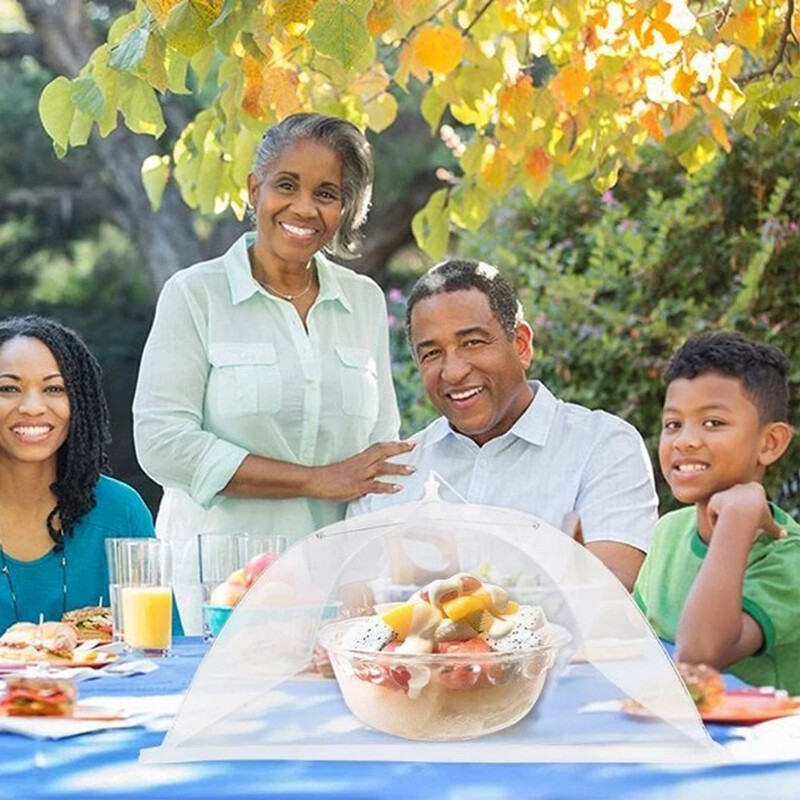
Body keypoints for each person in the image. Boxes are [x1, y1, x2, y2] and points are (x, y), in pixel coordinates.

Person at [133, 113, 412, 633]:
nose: (304, 208)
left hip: (337, 589)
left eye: (327, 193)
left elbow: (381, 454)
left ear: (345, 207)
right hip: (222, 588)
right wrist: (315, 481)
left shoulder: (364, 301)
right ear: (254, 189)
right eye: (287, 185)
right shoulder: (196, 295)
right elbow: (161, 442)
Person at [349, 259, 658, 591]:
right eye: (432, 353)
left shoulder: (603, 447)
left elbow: (611, 592)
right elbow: (350, 606)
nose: (453, 371)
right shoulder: (393, 474)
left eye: (473, 342)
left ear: (521, 345)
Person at [634, 333, 798, 692]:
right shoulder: (669, 532)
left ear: (770, 443)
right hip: (674, 735)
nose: (684, 441)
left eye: (713, 423)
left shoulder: (789, 557)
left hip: (764, 745)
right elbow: (632, 642)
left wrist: (737, 521)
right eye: (673, 424)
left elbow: (699, 659)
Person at [0, 316, 176, 633]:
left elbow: (161, 652)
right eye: (8, 388)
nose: (32, 407)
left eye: (54, 388)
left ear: (80, 402)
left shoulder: (120, 509)